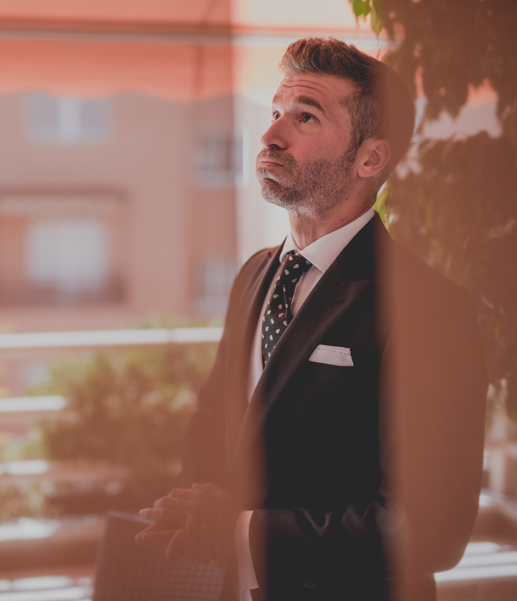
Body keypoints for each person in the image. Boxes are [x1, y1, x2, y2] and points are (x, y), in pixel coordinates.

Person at [135, 37, 488, 601]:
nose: (271, 135)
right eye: (276, 113)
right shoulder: (253, 274)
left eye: (305, 117)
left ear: (371, 158)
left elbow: (430, 530)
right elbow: (214, 415)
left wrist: (240, 529)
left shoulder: (430, 310)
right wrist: (198, 511)